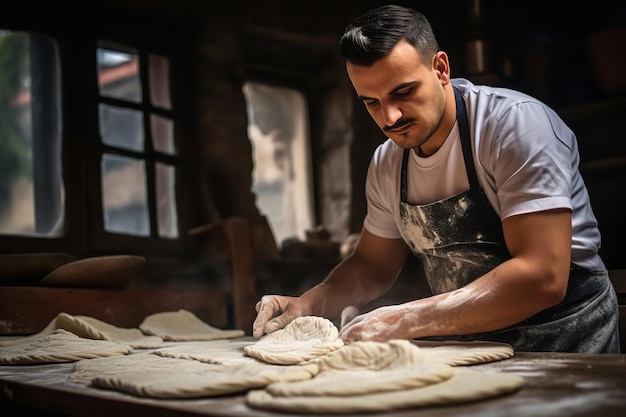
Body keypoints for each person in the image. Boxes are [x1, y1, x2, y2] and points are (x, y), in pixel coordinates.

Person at [252, 4, 621, 353]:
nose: (390, 117)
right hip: (471, 341)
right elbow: (371, 265)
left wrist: (402, 319)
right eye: (371, 102)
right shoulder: (387, 163)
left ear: (441, 68)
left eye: (403, 92)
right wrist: (308, 303)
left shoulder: (513, 127)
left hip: (563, 340)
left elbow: (542, 277)